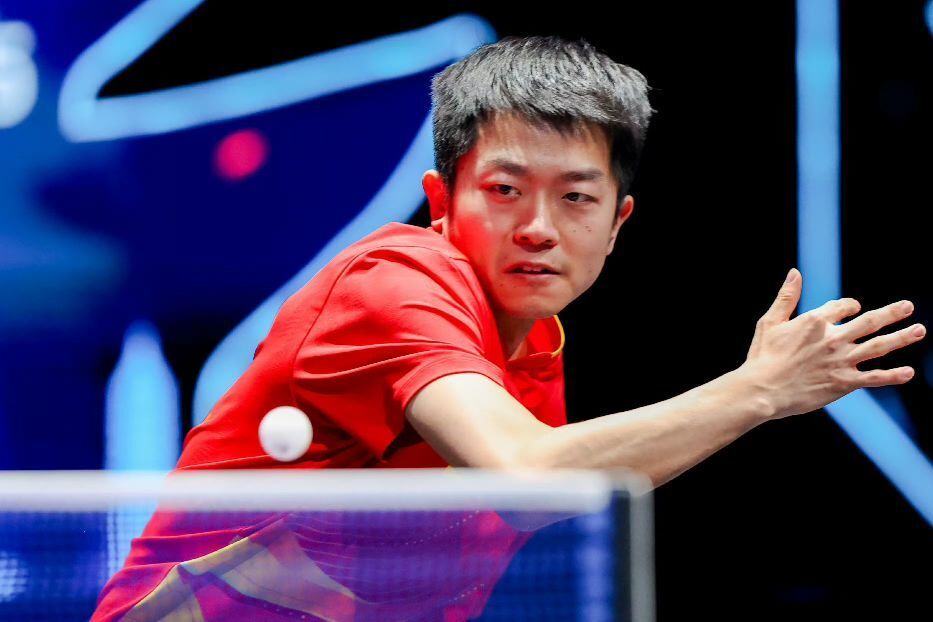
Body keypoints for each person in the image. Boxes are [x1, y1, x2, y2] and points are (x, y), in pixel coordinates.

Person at [93, 35, 925, 621]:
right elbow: (527, 474)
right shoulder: (394, 283)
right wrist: (758, 391)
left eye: (575, 197)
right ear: (440, 200)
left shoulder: (533, 349)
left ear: (616, 223)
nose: (537, 228)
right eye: (503, 190)